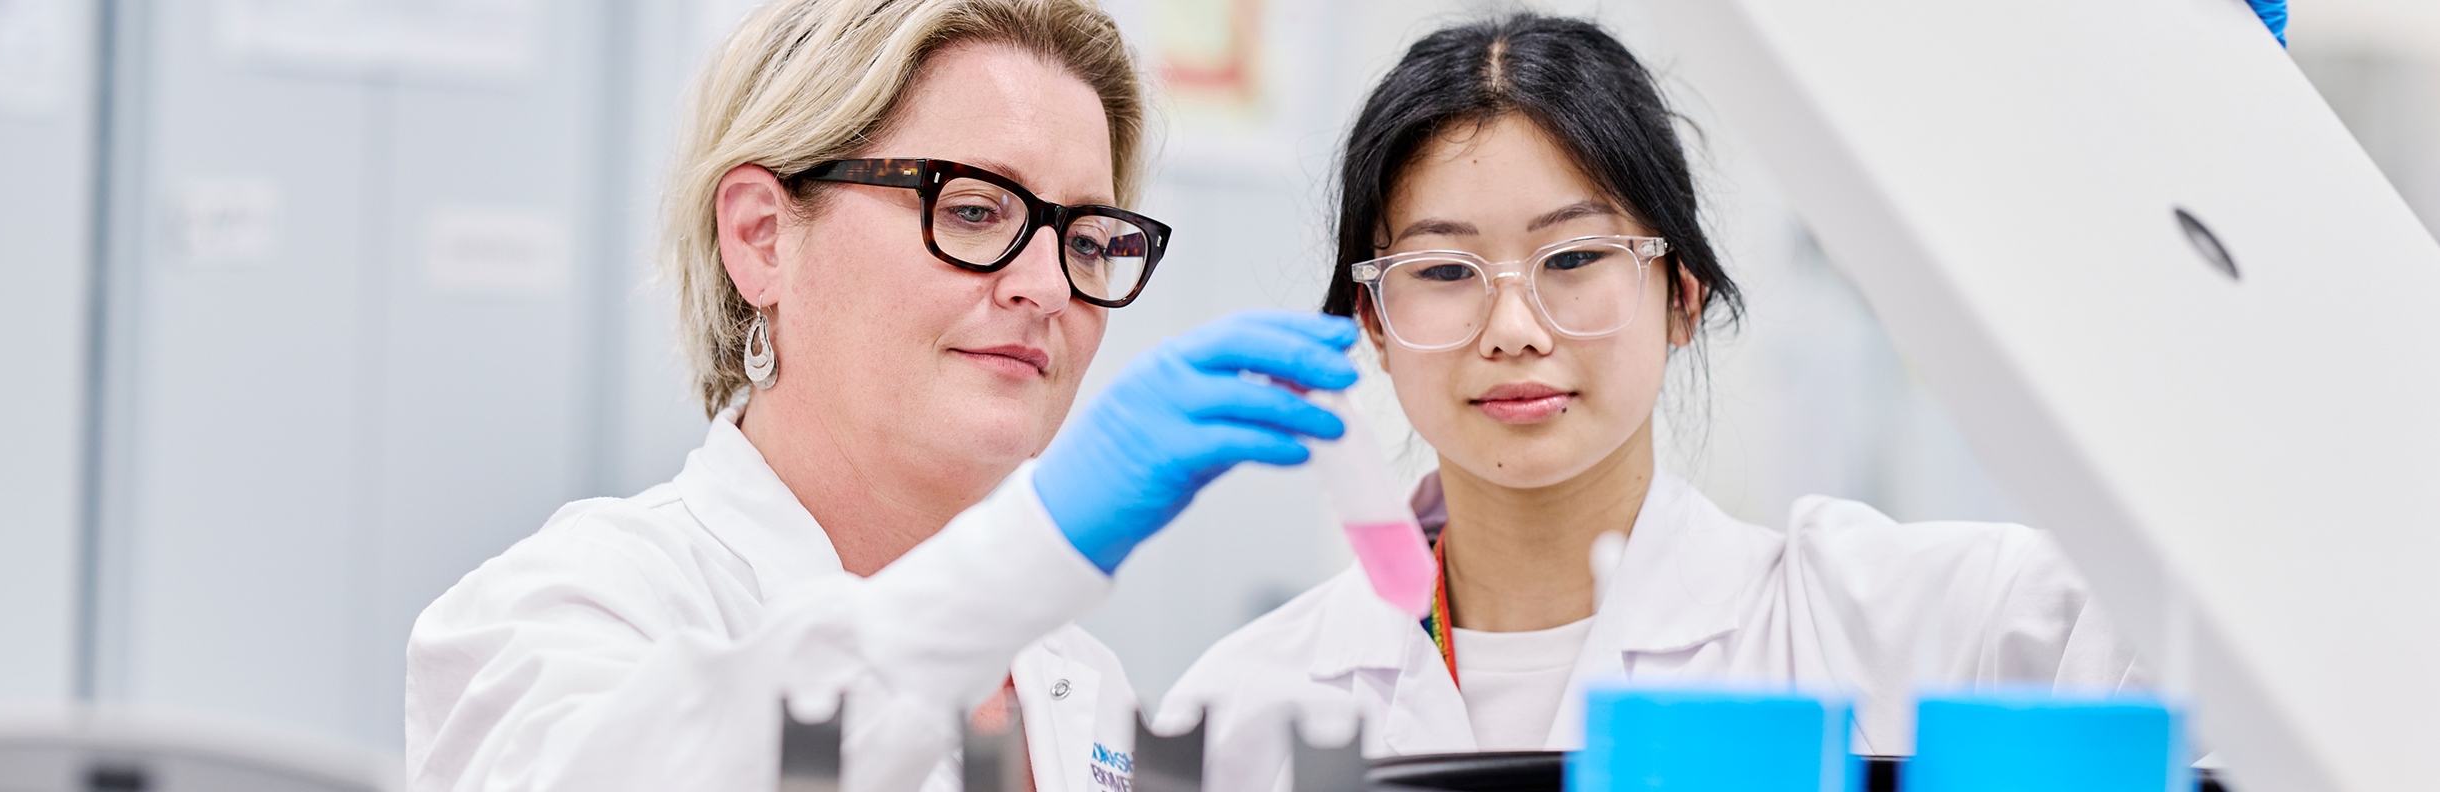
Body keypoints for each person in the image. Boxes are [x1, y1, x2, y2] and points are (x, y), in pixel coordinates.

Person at [1158, 14, 2141, 790]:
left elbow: (2216, 645)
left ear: (1682, 297)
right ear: (1372, 322)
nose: (1514, 327)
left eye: (1576, 257)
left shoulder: (1895, 617)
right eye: (1447, 268)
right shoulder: (1245, 708)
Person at [403, 1, 1359, 790]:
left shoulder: (1084, 688)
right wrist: (1038, 546)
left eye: (1083, 237)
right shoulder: (568, 610)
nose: (1049, 287)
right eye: (975, 210)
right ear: (762, 238)